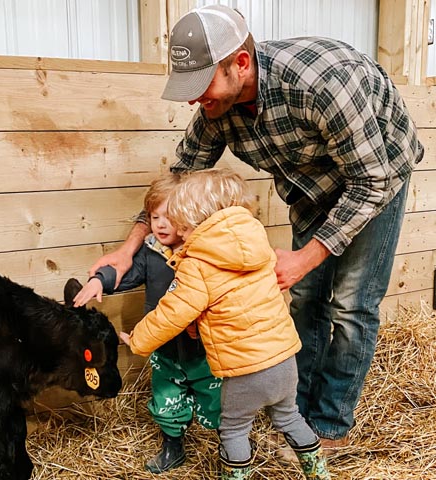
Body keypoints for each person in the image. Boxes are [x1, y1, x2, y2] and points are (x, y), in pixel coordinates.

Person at [90, 4, 424, 454]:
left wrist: (306, 257)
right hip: (311, 188)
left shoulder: (325, 82)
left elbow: (372, 179)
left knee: (350, 303)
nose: (194, 100)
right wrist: (130, 247)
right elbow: (180, 176)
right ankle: (295, 409)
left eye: (201, 85)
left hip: (375, 178)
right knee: (306, 298)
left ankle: (329, 423)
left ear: (241, 63)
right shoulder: (220, 106)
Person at [121, 168, 331, 480]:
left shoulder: (198, 263)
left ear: (192, 220)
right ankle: (319, 474)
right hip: (284, 360)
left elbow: (172, 313)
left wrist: (138, 340)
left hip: (244, 369)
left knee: (234, 430)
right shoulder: (257, 241)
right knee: (289, 417)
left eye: (181, 223)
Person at [74, 173, 222, 474]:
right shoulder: (151, 252)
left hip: (206, 346)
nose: (162, 224)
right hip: (164, 343)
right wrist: (99, 281)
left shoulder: (205, 253)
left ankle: (230, 446)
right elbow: (125, 272)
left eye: (171, 217)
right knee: (166, 394)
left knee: (216, 396)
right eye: (155, 217)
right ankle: (173, 446)